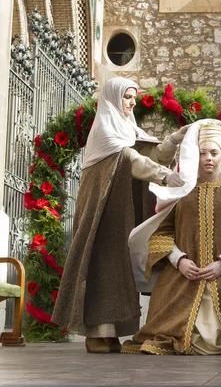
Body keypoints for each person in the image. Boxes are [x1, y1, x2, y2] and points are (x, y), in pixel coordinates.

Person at [52, 77, 186, 354]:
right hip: (101, 213)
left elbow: (152, 153)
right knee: (101, 268)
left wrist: (173, 140)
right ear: (113, 98)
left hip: (119, 212)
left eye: (134, 97)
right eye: (127, 97)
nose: (132, 102)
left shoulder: (127, 128)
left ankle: (111, 334)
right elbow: (131, 160)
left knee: (118, 268)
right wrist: (164, 176)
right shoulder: (105, 129)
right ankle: (96, 335)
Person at [121, 122, 221, 355]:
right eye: (202, 153)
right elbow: (162, 232)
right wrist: (179, 260)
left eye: (214, 152)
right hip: (183, 277)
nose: (208, 158)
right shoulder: (180, 193)